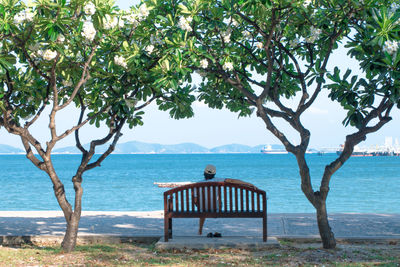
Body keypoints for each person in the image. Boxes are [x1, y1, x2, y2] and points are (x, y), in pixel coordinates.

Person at [194, 164, 257, 237]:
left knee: (203, 207)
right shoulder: (218, 180)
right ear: (214, 174)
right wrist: (248, 184)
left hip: (203, 208)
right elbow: (232, 180)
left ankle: (200, 230)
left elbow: (195, 200)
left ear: (204, 173)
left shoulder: (197, 184)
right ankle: (214, 214)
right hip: (216, 208)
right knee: (217, 202)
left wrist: (198, 206)